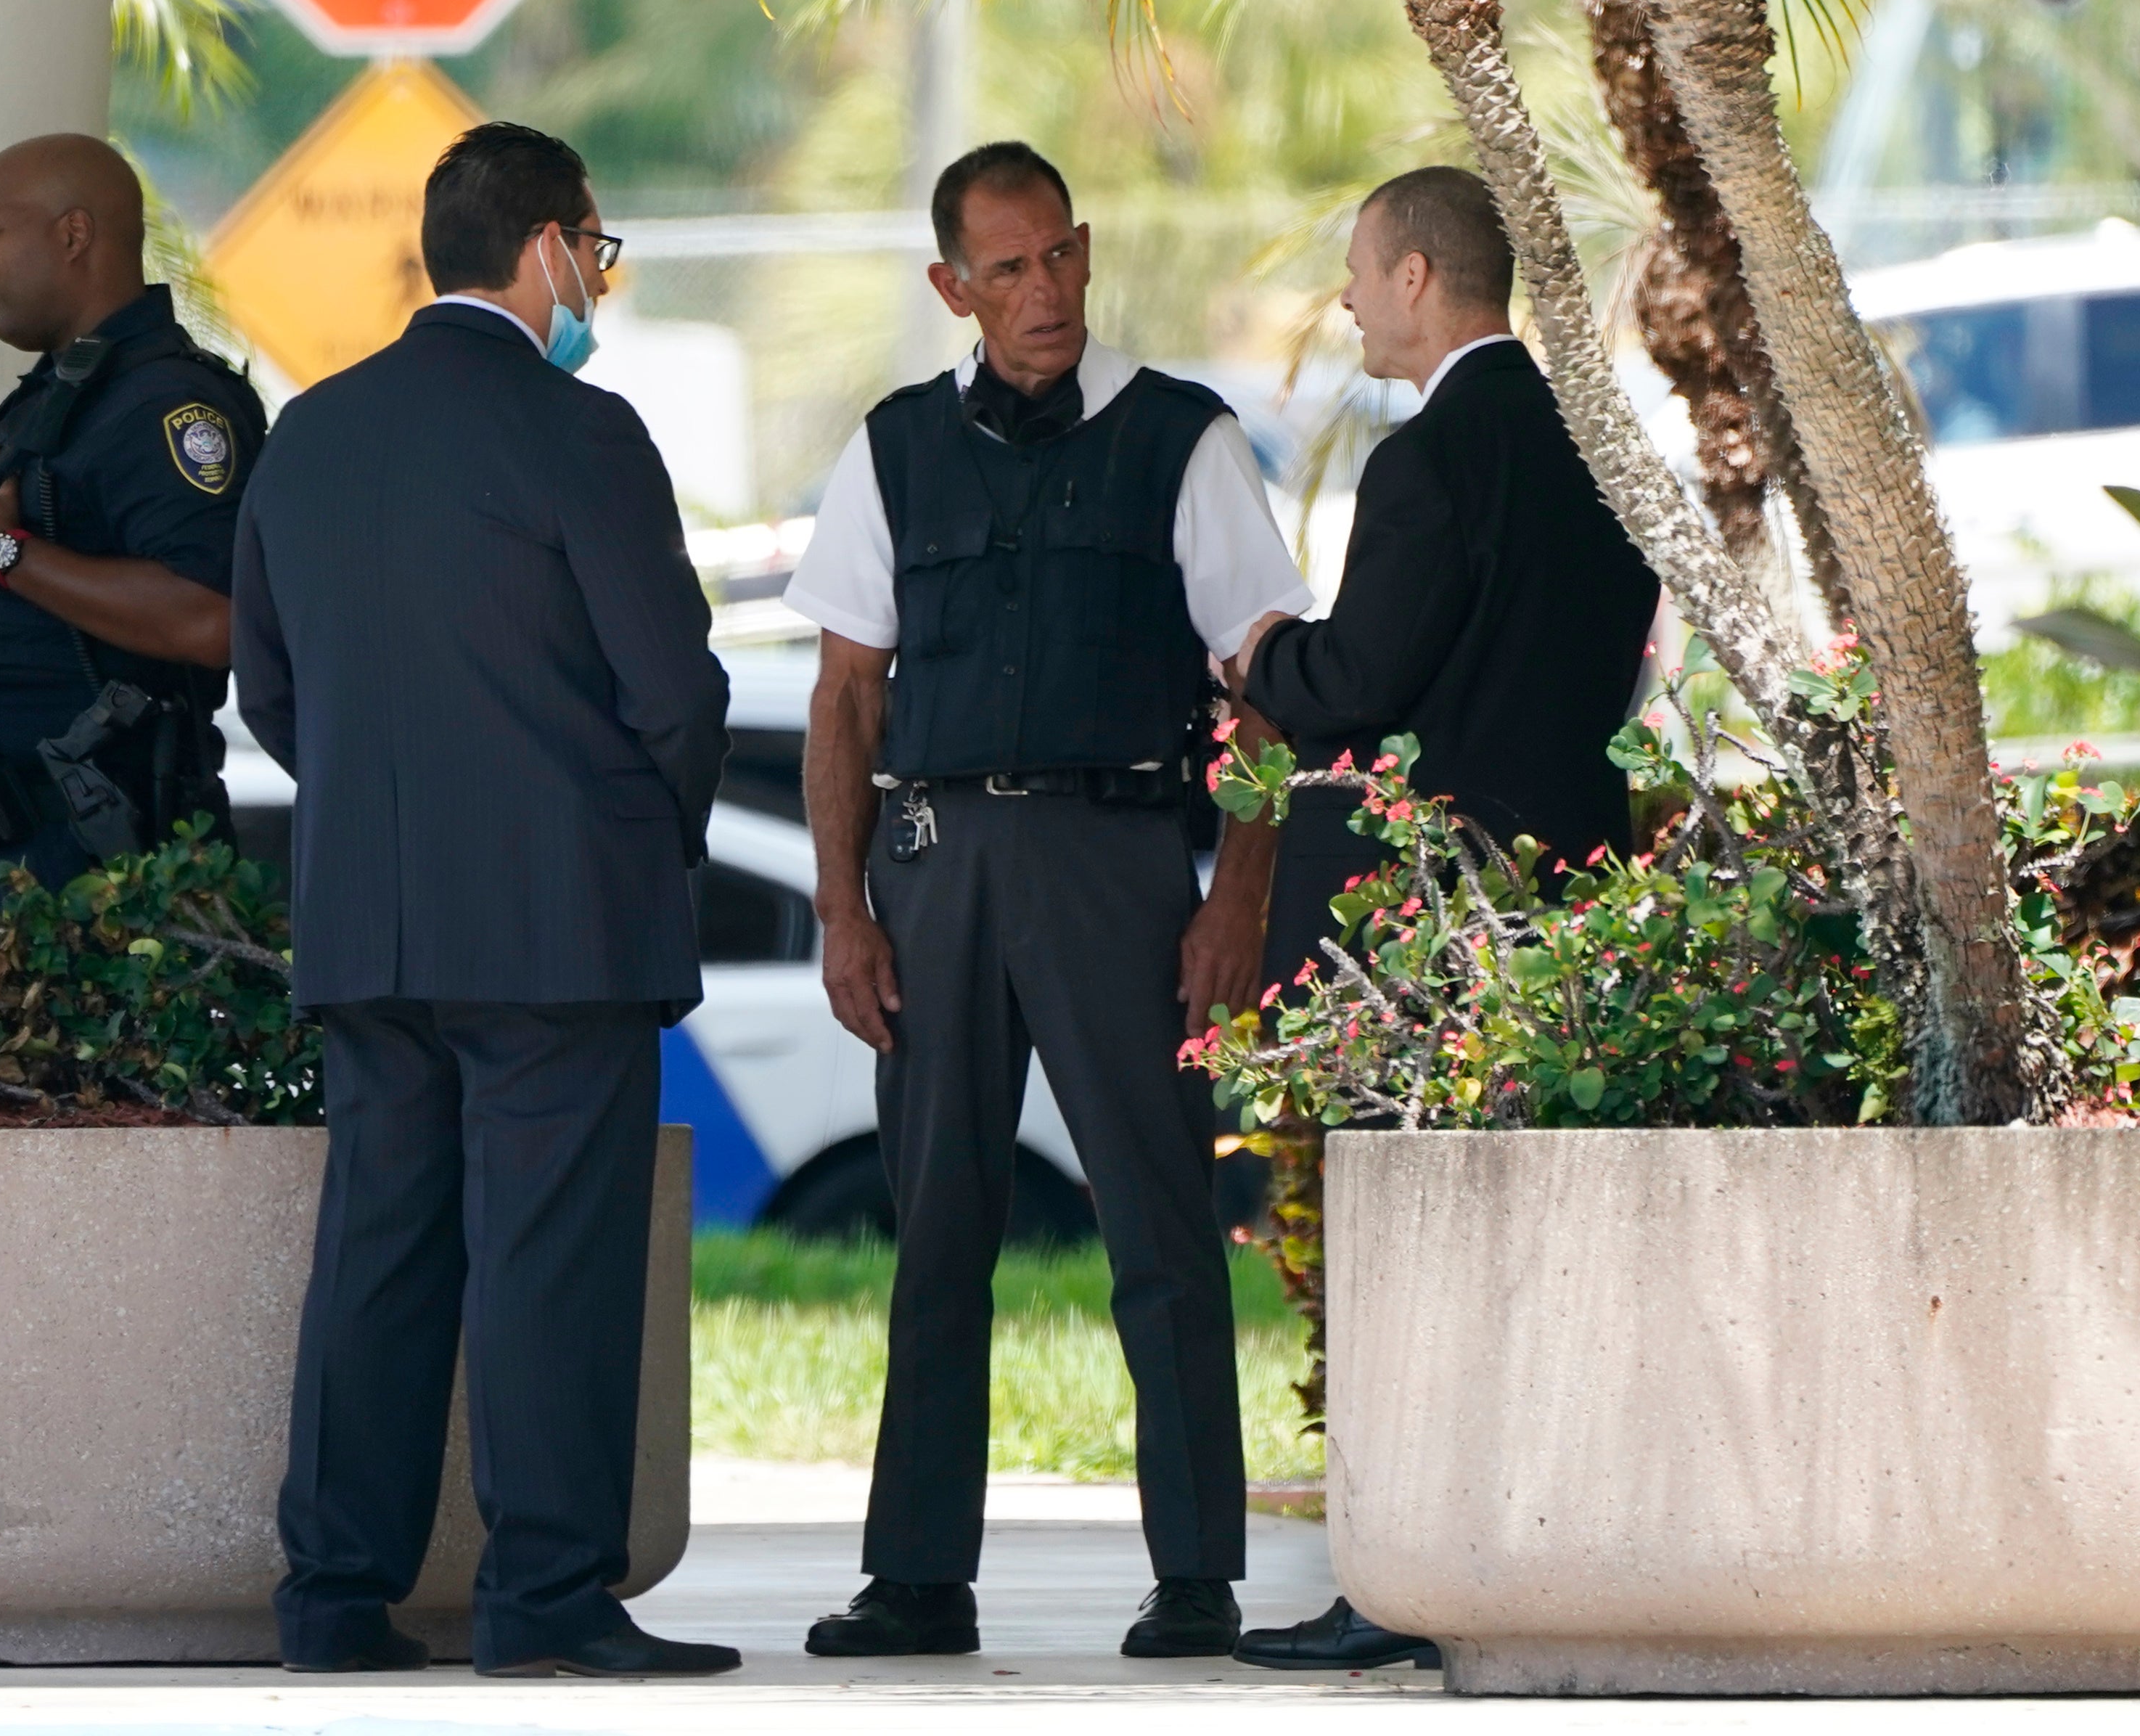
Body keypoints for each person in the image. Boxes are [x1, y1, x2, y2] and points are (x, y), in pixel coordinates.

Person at [783, 141, 1311, 1661]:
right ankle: (917, 1578)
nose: (1042, 292)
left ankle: (1199, 1567)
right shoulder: (889, 447)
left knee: (1156, 1215)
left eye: (1057, 257)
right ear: (953, 286)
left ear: (1086, 249)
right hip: (935, 866)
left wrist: (1236, 901)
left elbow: (1262, 697)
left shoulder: (1183, 439)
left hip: (1118, 864)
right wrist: (842, 908)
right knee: (939, 1218)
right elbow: (843, 699)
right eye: (1003, 269)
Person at [237, 121, 738, 1680]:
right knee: (552, 1259)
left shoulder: (307, 433)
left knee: (379, 1254)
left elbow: (270, 693)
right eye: (599, 248)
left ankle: (334, 1594)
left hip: (368, 919)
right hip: (556, 921)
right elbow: (675, 686)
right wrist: (639, 836)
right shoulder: (582, 431)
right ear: (548, 248)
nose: (600, 280)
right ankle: (546, 1599)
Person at [1223, 165, 1661, 1673]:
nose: (1346, 300)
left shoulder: (1430, 463)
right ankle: (1534, 1552)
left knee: (1414, 1251)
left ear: (1420, 276)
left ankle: (1401, 1579)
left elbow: (1359, 684)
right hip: (1579, 897)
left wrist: (1261, 652)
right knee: (1540, 1247)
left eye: (1358, 270)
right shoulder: (1597, 445)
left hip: (1440, 920)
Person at [0, 134, 265, 899]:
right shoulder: (63, 395)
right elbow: (37, 536)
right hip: (20, 855)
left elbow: (213, 616)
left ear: (73, 234)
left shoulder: (167, 405)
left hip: (111, 868)